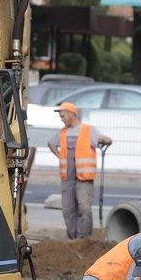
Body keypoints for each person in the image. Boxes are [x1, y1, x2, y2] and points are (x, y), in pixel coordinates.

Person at [48, 102, 112, 239]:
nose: (61, 119)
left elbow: (104, 139)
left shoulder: (88, 130)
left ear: (72, 114)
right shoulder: (63, 132)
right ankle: (72, 239)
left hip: (84, 177)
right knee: (68, 209)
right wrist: (60, 156)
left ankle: (83, 239)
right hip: (67, 177)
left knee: (84, 208)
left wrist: (106, 140)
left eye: (63, 116)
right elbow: (51, 143)